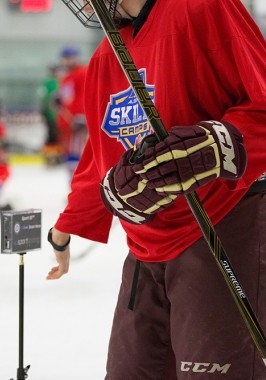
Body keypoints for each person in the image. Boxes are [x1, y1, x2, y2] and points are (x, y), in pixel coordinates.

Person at [47, 1, 266, 379]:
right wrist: (70, 224)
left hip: (221, 228)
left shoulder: (201, 8)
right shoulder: (106, 55)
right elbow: (101, 154)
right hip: (145, 250)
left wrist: (219, 144)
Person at [55, 44, 88, 180]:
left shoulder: (82, 72)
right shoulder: (65, 77)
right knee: (69, 158)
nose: (68, 60)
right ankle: (73, 187)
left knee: (78, 156)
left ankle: (79, 187)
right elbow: (67, 99)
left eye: (71, 57)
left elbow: (86, 95)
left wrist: (83, 116)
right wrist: (58, 101)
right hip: (67, 123)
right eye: (66, 58)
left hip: (79, 122)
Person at [38, 64, 63, 166]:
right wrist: (44, 111)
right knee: (51, 136)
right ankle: (50, 157)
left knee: (57, 136)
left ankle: (57, 156)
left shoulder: (61, 81)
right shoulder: (48, 83)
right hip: (51, 115)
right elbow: (44, 99)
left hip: (59, 116)